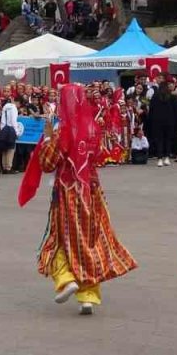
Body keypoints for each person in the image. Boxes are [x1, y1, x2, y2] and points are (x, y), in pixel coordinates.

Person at [18, 84, 136, 316]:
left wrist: (50, 138)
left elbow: (48, 163)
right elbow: (101, 155)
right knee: (90, 241)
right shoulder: (92, 127)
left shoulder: (63, 131)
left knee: (58, 240)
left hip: (68, 192)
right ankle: (88, 296)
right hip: (92, 192)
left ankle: (66, 278)